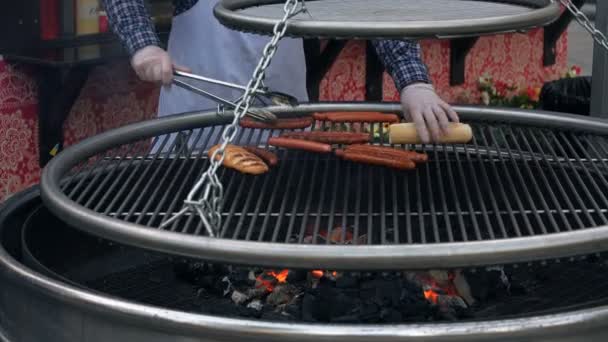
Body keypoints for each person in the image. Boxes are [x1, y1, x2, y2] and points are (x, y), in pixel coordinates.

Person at [103, 0, 458, 143]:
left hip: (282, 132)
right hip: (193, 132)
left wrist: (414, 83)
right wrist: (143, 45)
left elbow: (373, 7)